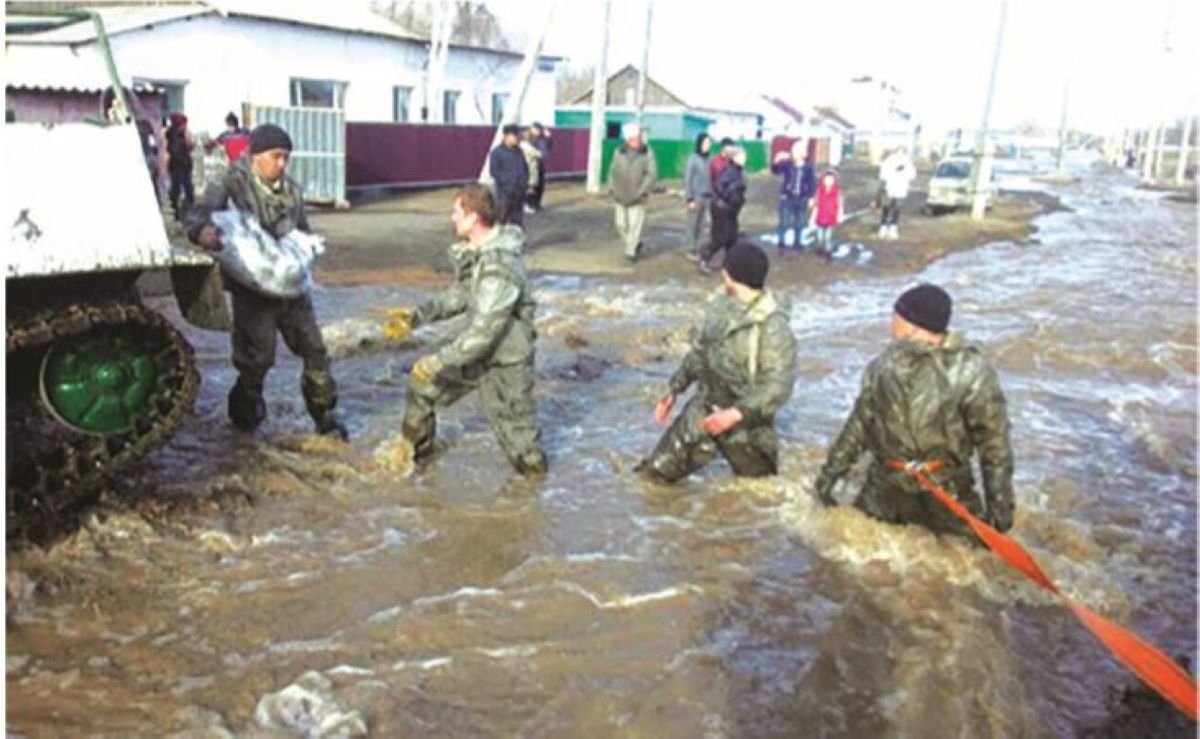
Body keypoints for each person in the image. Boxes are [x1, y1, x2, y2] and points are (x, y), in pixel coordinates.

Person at [186, 123, 348, 439]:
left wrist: (308, 250)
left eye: (287, 158)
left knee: (315, 350)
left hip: (291, 288)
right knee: (257, 359)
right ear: (256, 155)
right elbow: (195, 216)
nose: (282, 165)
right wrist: (203, 232)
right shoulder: (231, 184)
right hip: (253, 291)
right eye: (277, 157)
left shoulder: (291, 191)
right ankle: (244, 421)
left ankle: (324, 415)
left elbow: (301, 232)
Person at [813, 284, 1014, 538]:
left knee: (967, 560)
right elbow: (859, 426)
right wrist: (830, 474)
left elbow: (994, 444)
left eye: (895, 316)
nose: (891, 323)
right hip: (885, 487)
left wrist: (1000, 507)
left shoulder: (971, 371)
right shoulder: (884, 365)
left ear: (913, 325)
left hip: (945, 489)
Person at [393, 184, 547, 476]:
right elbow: (461, 296)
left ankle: (532, 508)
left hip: (506, 364)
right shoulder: (478, 254)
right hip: (477, 356)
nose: (452, 218)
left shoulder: (500, 265)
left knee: (523, 450)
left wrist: (438, 360)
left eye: (456, 212)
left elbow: (484, 333)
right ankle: (415, 462)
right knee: (421, 387)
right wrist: (415, 317)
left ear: (473, 216)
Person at [638, 242, 797, 482]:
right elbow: (700, 353)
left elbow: (778, 386)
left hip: (747, 426)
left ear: (730, 275)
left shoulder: (773, 327)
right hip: (704, 410)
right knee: (654, 476)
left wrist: (735, 414)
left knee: (758, 497)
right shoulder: (720, 307)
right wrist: (674, 389)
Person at [609, 122, 658, 262]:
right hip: (620, 195)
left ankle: (631, 253)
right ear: (628, 140)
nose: (638, 140)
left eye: (639, 137)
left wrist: (643, 190)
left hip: (638, 197)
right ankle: (633, 244)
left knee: (635, 226)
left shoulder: (647, 153)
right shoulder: (619, 152)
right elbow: (612, 171)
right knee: (620, 225)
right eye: (635, 138)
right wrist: (612, 187)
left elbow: (652, 174)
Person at [699, 146, 747, 273]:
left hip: (730, 209)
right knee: (720, 238)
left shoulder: (737, 171)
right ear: (735, 158)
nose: (745, 158)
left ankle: (729, 264)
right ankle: (704, 258)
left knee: (732, 238)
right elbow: (720, 188)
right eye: (742, 156)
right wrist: (733, 197)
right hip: (722, 209)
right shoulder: (728, 171)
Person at [771, 140, 816, 251]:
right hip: (787, 197)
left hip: (801, 198)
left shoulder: (808, 167)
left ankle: (798, 242)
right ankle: (781, 242)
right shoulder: (787, 164)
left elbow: (812, 183)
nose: (795, 153)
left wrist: (811, 197)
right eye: (794, 151)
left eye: (798, 151)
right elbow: (776, 171)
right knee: (784, 222)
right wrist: (776, 161)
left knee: (799, 222)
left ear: (803, 153)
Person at [488, 124, 529, 227]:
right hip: (505, 193)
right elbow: (494, 171)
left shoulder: (519, 151)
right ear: (507, 136)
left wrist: (524, 182)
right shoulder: (497, 152)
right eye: (516, 136)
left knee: (517, 220)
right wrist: (508, 182)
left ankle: (517, 241)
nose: (518, 138)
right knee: (502, 218)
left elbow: (525, 168)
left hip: (519, 192)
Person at [683, 133, 713, 261]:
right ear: (700, 144)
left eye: (709, 143)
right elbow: (688, 179)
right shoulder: (693, 159)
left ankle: (699, 248)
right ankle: (690, 249)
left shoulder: (710, 159)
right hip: (696, 196)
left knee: (702, 225)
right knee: (693, 223)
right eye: (705, 143)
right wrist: (689, 198)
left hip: (708, 196)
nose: (708, 145)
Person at [878, 146, 916, 239]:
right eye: (899, 151)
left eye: (903, 152)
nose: (901, 154)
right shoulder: (890, 161)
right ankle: (883, 226)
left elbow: (912, 175)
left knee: (896, 208)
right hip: (890, 188)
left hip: (900, 189)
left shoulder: (907, 162)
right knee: (886, 207)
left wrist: (903, 174)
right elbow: (883, 174)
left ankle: (893, 227)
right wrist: (893, 173)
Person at [166, 112, 196, 221]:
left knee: (181, 189)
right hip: (178, 166)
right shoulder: (175, 136)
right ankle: (180, 213)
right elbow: (176, 151)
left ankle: (182, 212)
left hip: (180, 166)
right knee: (180, 190)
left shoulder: (177, 135)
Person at [811, 169, 844, 261]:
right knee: (820, 236)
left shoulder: (837, 192)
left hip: (831, 217)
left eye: (831, 180)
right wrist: (813, 216)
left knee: (828, 236)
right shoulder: (819, 191)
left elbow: (840, 204)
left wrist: (840, 214)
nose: (828, 182)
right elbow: (816, 205)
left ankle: (828, 251)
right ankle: (820, 248)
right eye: (826, 180)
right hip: (820, 217)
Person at [527, 122, 552, 211]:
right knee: (532, 186)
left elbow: (548, 147)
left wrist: (548, 138)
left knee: (540, 185)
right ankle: (530, 204)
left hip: (541, 165)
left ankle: (536, 203)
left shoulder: (542, 139)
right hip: (532, 165)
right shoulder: (529, 139)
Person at [519, 127, 543, 215]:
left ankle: (527, 205)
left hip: (530, 168)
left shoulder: (525, 145)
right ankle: (526, 205)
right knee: (528, 189)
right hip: (529, 169)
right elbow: (538, 154)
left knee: (529, 188)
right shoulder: (525, 145)